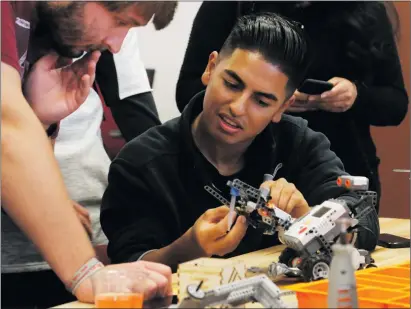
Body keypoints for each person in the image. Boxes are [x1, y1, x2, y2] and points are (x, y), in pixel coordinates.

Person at [100, 13, 380, 272]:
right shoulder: (142, 163)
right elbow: (127, 267)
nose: (237, 107)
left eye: (261, 101)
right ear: (211, 68)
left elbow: (364, 219)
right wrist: (187, 249)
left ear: (284, 106)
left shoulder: (300, 144)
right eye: (232, 84)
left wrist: (313, 220)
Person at [1, 1, 176, 306]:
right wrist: (86, 272)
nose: (117, 46)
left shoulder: (44, 26)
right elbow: (6, 127)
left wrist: (41, 122)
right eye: (121, 21)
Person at [175, 1, 409, 214]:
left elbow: (396, 103)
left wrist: (356, 95)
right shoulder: (232, 5)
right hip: (243, 173)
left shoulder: (367, 11)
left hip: (339, 171)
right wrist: (262, 100)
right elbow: (189, 91)